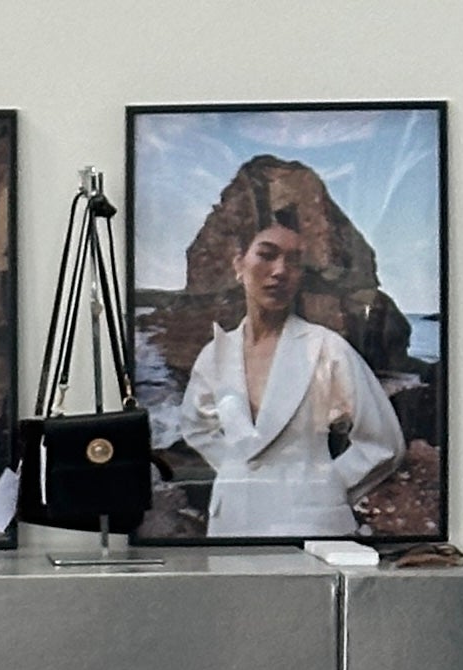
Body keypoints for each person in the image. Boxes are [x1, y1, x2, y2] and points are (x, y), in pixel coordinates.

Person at [173, 199, 405, 536]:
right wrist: (237, 472)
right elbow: (196, 427)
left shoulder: (326, 349)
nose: (280, 271)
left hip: (312, 527)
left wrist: (324, 485)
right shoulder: (216, 354)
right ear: (239, 264)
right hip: (232, 524)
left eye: (293, 262)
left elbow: (383, 442)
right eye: (267, 255)